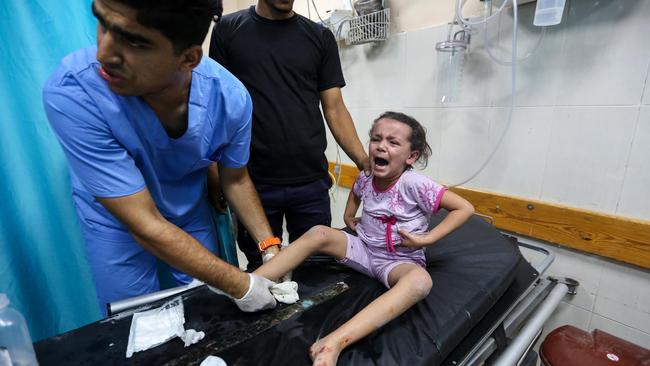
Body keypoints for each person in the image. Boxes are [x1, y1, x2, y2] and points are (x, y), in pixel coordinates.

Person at [42, 0, 280, 316]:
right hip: (117, 220)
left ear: (188, 58)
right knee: (134, 321)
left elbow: (234, 178)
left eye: (135, 41)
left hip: (188, 210)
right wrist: (242, 285)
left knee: (206, 307)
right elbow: (143, 224)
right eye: (102, 22)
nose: (104, 53)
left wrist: (269, 248)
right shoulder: (75, 92)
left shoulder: (229, 100)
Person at [254, 111, 476, 366]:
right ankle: (250, 283)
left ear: (411, 156)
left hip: (397, 260)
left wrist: (427, 239)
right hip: (363, 248)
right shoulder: (368, 175)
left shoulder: (415, 184)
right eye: (376, 139)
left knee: (420, 282)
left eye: (393, 142)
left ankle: (332, 343)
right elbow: (357, 190)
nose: (381, 146)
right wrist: (349, 215)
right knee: (319, 232)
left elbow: (464, 208)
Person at [209, 0, 370, 271]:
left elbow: (334, 107)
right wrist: (214, 172)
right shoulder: (228, 30)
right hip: (251, 183)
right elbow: (217, 108)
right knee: (264, 269)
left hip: (310, 182)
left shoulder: (319, 37)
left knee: (315, 267)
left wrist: (364, 162)